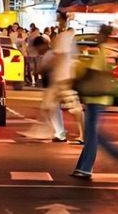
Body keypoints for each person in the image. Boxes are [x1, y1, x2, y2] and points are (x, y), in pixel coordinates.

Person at [70, 24, 118, 178]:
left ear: (104, 35)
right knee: (92, 132)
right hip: (101, 96)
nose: (97, 37)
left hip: (96, 96)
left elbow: (93, 72)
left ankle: (88, 166)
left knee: (93, 134)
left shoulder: (101, 51)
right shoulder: (111, 50)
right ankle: (82, 166)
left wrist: (77, 78)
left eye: (99, 34)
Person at [42, 14, 77, 142]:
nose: (57, 23)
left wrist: (47, 65)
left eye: (59, 20)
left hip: (61, 76)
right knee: (54, 105)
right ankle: (60, 132)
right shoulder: (68, 36)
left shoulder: (64, 37)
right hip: (64, 75)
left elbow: (59, 56)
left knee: (71, 107)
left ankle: (62, 133)